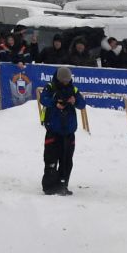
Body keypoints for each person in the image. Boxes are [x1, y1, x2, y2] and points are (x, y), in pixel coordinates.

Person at [35, 66, 81, 197]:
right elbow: (43, 99)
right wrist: (56, 102)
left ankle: (63, 185)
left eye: (68, 80)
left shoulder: (73, 89)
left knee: (67, 161)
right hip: (53, 131)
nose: (66, 82)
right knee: (51, 159)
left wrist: (74, 100)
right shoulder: (50, 87)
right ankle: (49, 186)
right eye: (63, 80)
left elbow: (82, 104)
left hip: (69, 132)